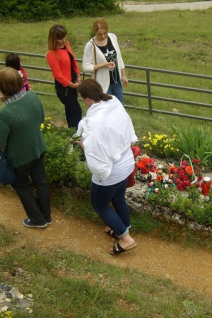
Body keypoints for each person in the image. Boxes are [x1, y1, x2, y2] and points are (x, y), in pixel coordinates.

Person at [76, 79, 137, 255]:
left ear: (87, 99)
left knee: (100, 204)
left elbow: (96, 156)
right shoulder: (113, 101)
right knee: (118, 198)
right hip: (126, 160)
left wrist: (83, 145)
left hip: (112, 170)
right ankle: (122, 227)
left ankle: (126, 239)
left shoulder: (95, 124)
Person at [0, 67, 51, 228]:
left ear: (2, 88)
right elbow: (41, 119)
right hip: (38, 148)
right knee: (41, 181)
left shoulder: (5, 113)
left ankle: (37, 220)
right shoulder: (32, 96)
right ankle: (46, 215)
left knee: (20, 185)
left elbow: (0, 144)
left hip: (20, 158)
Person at [82, 18, 128, 104]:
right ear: (95, 32)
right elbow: (85, 67)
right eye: (100, 34)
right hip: (102, 85)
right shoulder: (90, 46)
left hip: (116, 82)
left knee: (119, 107)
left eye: (104, 33)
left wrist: (124, 75)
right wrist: (103, 65)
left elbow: (119, 58)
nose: (103, 36)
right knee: (107, 110)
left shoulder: (113, 38)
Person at [46, 24, 82, 129]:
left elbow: (73, 61)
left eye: (64, 36)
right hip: (64, 88)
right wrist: (72, 85)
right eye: (60, 38)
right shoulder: (52, 54)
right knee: (76, 110)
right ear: (54, 39)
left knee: (70, 109)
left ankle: (71, 130)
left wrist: (78, 75)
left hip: (73, 82)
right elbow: (58, 75)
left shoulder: (67, 45)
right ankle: (76, 133)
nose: (63, 40)